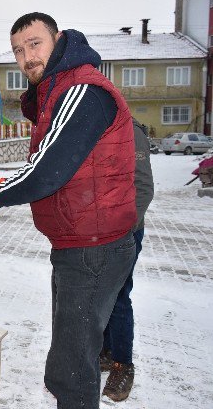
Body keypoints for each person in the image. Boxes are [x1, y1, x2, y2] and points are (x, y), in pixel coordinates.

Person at [0, 12, 137, 408]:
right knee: (74, 355)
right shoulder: (58, 91)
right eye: (18, 50)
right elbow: (51, 164)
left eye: (35, 44)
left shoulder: (81, 89)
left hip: (92, 250)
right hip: (81, 243)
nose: (26, 57)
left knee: (72, 369)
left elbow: (49, 169)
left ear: (59, 40)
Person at [100, 118, 154, 402]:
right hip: (100, 230)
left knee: (119, 296)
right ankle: (107, 352)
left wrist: (122, 228)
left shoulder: (130, 131)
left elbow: (144, 188)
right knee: (103, 293)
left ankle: (123, 364)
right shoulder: (96, 125)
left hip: (126, 231)